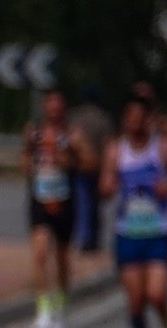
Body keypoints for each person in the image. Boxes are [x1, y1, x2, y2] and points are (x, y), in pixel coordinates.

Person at [101, 93, 167, 328]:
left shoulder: (162, 149)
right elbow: (104, 188)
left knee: (156, 294)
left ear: (149, 119)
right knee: (135, 300)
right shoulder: (116, 151)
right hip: (127, 234)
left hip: (158, 233)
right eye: (130, 118)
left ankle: (164, 312)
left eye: (140, 118)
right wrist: (109, 186)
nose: (134, 124)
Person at [21, 88, 87, 328]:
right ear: (44, 107)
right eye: (50, 104)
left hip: (64, 200)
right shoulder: (34, 132)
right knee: (39, 253)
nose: (54, 109)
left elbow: (87, 162)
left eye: (58, 104)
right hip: (39, 198)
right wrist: (28, 159)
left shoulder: (72, 134)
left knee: (61, 256)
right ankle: (43, 310)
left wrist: (68, 157)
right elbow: (25, 161)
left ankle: (60, 308)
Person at [67, 87, 113, 253]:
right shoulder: (103, 118)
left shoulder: (75, 116)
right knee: (95, 205)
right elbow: (108, 144)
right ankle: (94, 238)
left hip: (79, 166)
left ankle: (84, 238)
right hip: (99, 167)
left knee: (82, 203)